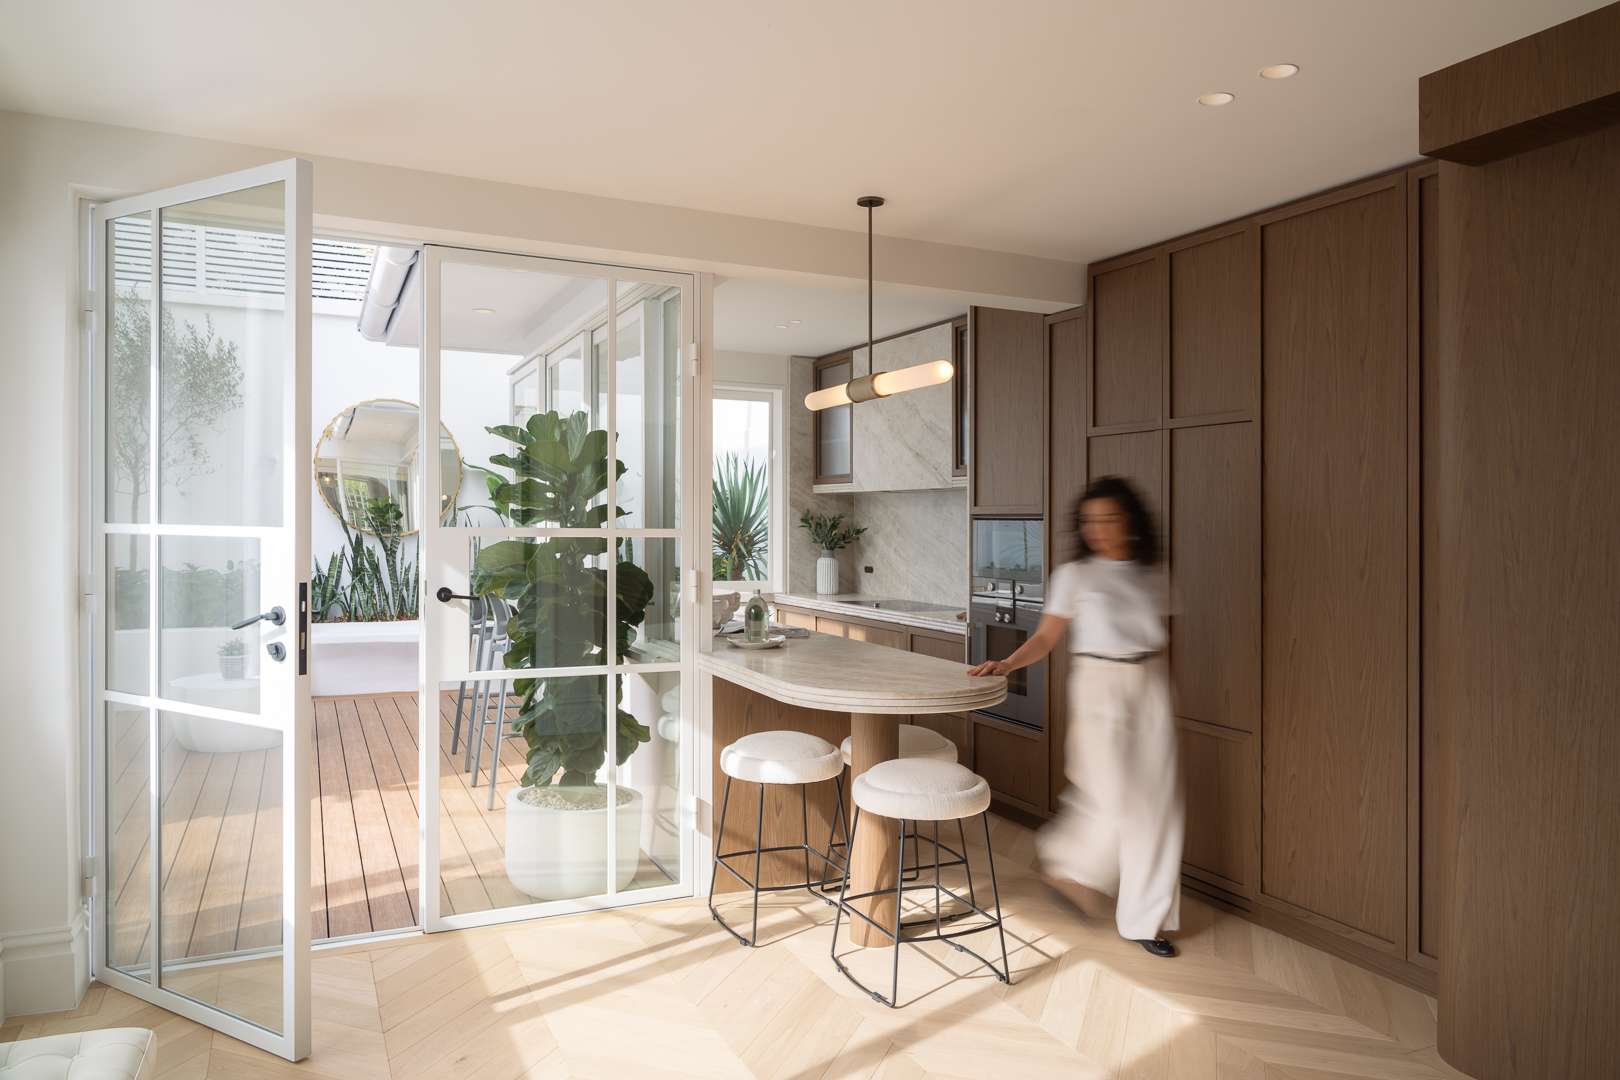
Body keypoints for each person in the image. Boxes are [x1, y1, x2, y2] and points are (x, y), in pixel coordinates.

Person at [967, 475, 1182, 957]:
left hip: (1151, 686)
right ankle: (1068, 864)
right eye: (1090, 521)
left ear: (1130, 522)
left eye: (1109, 519)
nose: (1098, 529)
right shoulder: (1076, 577)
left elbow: (1163, 637)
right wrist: (1005, 663)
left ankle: (1146, 920)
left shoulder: (1152, 573)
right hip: (1099, 686)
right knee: (1114, 793)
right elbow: (1045, 639)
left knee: (1160, 806)